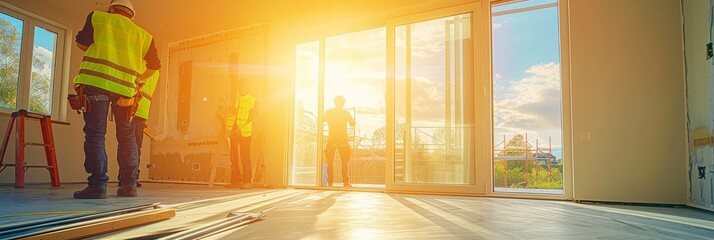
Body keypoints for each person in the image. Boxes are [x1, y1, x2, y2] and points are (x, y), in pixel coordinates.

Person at [72, 0, 160, 199]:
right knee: (127, 137)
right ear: (132, 15)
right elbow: (155, 66)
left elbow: (81, 43)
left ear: (111, 9)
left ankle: (98, 186)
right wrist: (138, 79)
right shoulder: (144, 36)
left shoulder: (98, 18)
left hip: (96, 83)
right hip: (125, 90)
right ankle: (129, 186)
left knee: (95, 134)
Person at [118, 71, 159, 188]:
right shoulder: (155, 70)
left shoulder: (141, 65)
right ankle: (131, 177)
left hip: (131, 106)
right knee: (135, 146)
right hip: (141, 111)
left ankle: (126, 177)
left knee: (126, 144)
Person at [226, 82, 258, 189]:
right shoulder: (240, 100)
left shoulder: (253, 101)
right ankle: (235, 180)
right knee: (233, 156)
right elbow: (237, 116)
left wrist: (240, 130)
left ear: (247, 87)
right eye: (239, 87)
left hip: (245, 133)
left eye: (241, 87)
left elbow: (251, 118)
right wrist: (233, 129)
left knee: (245, 157)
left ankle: (247, 181)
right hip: (236, 132)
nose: (240, 90)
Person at [323, 96, 355, 188]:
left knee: (330, 161)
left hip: (332, 139)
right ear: (343, 103)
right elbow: (352, 123)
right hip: (342, 140)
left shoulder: (329, 112)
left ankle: (330, 182)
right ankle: (345, 182)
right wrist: (353, 121)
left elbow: (321, 120)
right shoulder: (345, 113)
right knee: (344, 162)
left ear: (335, 102)